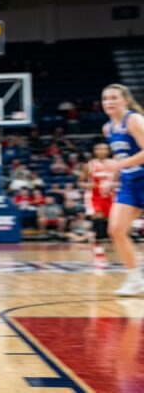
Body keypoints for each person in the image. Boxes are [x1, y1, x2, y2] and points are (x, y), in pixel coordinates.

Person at [99, 84, 144, 296]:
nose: (109, 102)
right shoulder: (108, 128)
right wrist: (111, 178)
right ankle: (135, 279)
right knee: (116, 229)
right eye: (105, 98)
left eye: (114, 98)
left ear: (125, 100)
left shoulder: (134, 120)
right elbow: (121, 158)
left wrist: (117, 167)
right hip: (129, 182)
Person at [78, 143, 116, 264]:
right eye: (98, 148)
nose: (101, 150)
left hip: (111, 197)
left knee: (111, 223)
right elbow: (80, 182)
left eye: (104, 148)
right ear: (94, 151)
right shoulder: (89, 165)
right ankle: (97, 245)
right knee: (98, 219)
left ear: (108, 150)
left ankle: (105, 242)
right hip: (95, 197)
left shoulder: (115, 163)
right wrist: (89, 185)